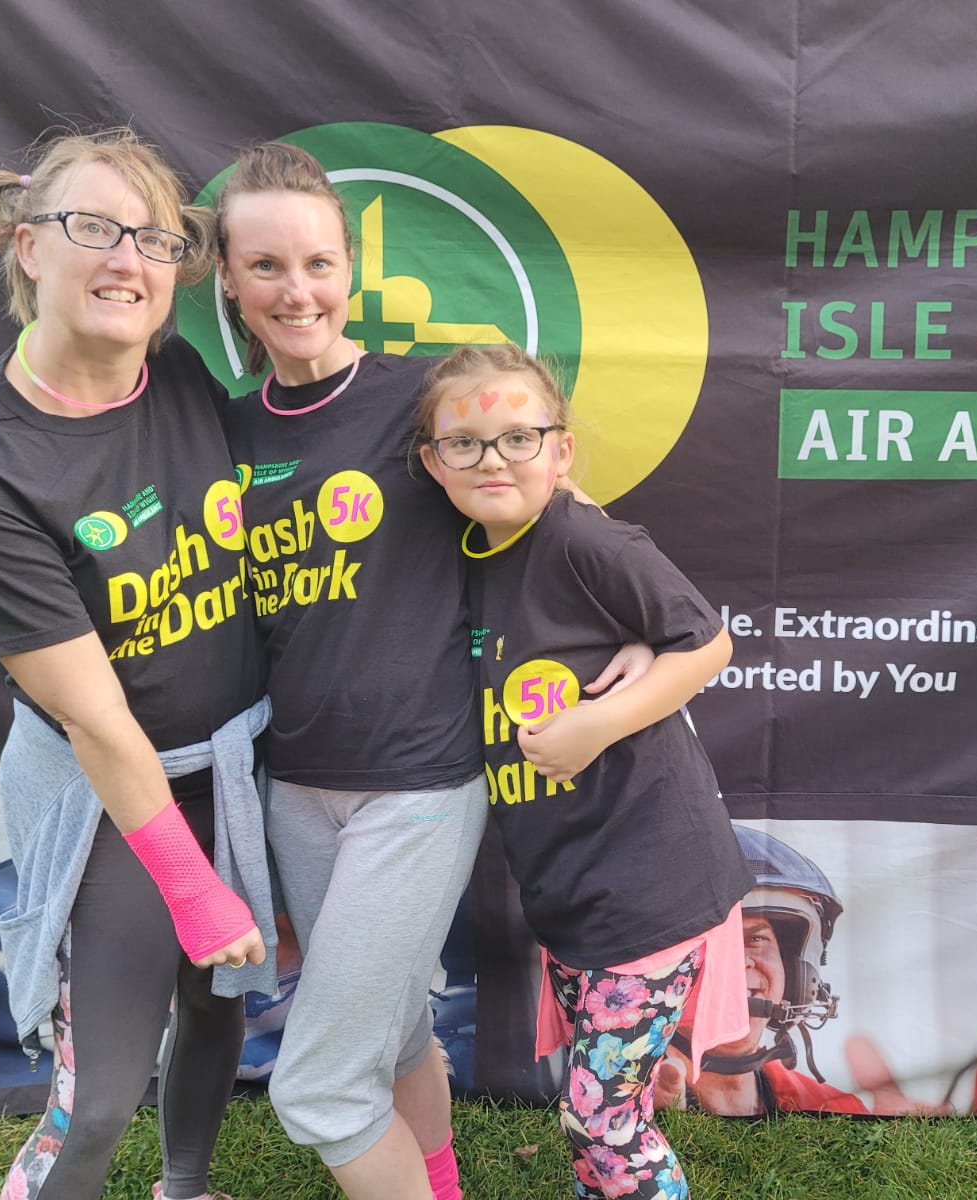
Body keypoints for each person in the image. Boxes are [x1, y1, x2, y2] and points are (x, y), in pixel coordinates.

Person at [211, 143, 646, 1200]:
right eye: (265, 266)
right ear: (226, 278)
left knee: (317, 1087)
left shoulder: (422, 398)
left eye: (317, 262)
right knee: (396, 1024)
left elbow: (547, 494)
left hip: (418, 783)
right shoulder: (223, 422)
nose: (295, 290)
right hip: (294, 784)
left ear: (349, 268)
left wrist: (628, 626)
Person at [0, 127, 272, 1200]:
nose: (126, 259)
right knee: (100, 1097)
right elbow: (99, 722)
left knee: (217, 1009)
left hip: (237, 766)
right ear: (27, 246)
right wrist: (194, 889)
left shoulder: (181, 373)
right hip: (116, 791)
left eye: (154, 239)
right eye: (93, 229)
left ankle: (187, 1188)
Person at [416, 344, 753, 1200]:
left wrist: (594, 726)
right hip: (572, 888)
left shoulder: (580, 538)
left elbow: (708, 642)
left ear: (560, 449)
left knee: (599, 1121)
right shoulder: (461, 554)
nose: (493, 458)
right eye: (466, 442)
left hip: (651, 881)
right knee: (606, 1111)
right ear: (432, 461)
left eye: (519, 437)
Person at [653, 825, 868, 1116]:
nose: (737, 962)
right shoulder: (609, 1103)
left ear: (795, 971)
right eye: (713, 942)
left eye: (756, 939)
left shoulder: (830, 1109)